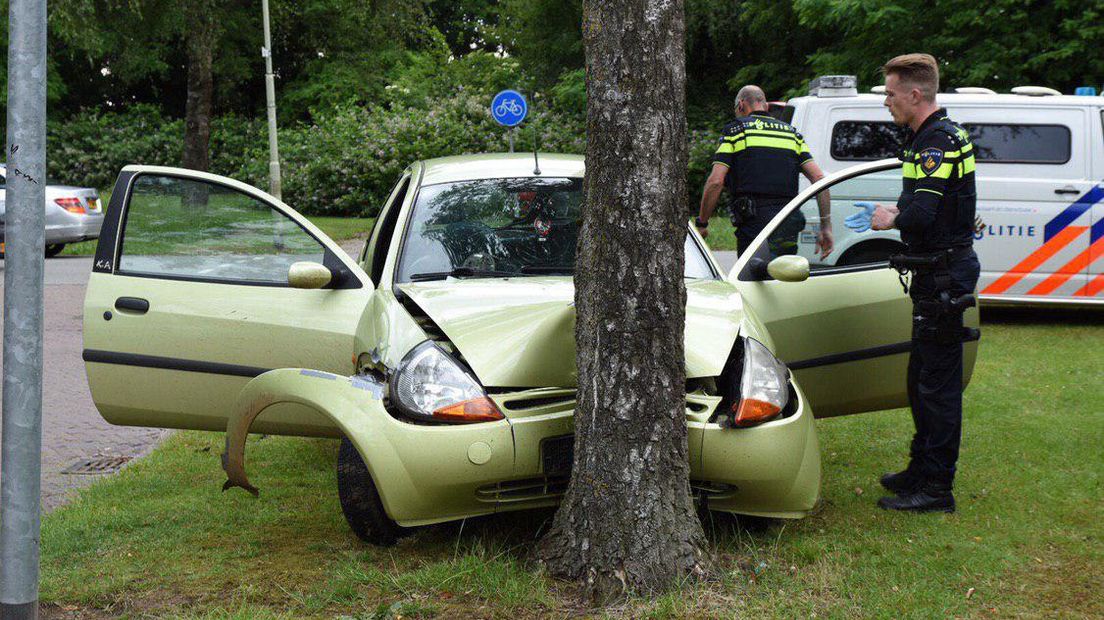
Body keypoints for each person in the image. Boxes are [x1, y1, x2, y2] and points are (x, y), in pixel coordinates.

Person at [869, 53, 980, 513]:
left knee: (937, 384)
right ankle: (920, 469)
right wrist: (904, 211)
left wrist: (890, 218)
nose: (887, 104)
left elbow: (918, 212)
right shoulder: (925, 139)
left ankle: (936, 489)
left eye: (891, 95)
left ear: (915, 94)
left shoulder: (937, 142)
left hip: (944, 274)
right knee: (921, 379)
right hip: (935, 271)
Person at [695, 85, 832, 259]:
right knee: (783, 275)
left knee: (753, 279)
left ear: (741, 105)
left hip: (754, 221)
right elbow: (819, 178)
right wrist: (826, 226)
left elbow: (716, 181)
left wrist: (702, 222)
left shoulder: (736, 131)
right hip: (788, 220)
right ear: (765, 106)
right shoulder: (792, 134)